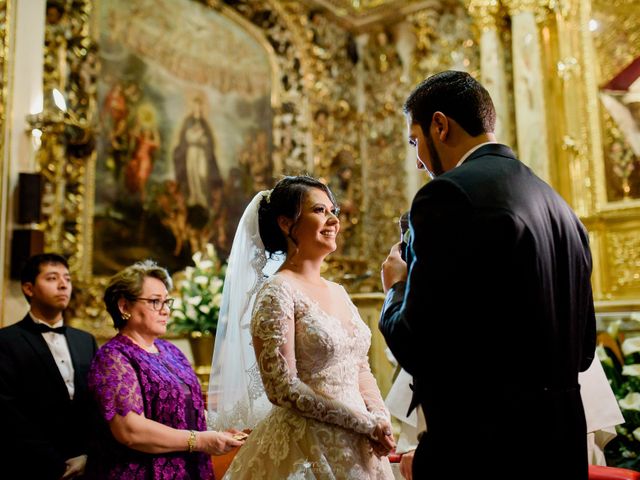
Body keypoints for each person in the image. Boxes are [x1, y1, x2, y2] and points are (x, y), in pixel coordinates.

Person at [379, 71, 597, 479]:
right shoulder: (561, 208)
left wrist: (396, 286)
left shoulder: (449, 195)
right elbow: (584, 350)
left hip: (484, 453)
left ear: (439, 125)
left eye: (415, 141)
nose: (418, 160)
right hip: (561, 449)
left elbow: (416, 343)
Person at [208, 175, 395, 479]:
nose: (333, 219)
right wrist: (363, 422)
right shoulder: (277, 291)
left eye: (333, 210)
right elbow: (283, 389)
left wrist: (380, 417)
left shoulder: (339, 291)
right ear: (286, 223)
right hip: (307, 446)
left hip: (362, 444)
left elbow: (359, 366)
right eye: (320, 211)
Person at [85, 260, 243, 479]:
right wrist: (199, 440)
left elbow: (189, 407)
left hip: (191, 469)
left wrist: (218, 432)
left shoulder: (170, 350)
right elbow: (130, 431)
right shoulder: (113, 357)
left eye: (167, 301)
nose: (166, 310)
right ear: (124, 307)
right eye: (155, 302)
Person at [0, 253, 98, 479]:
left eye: (68, 279)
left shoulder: (86, 341)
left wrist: (88, 455)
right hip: (27, 465)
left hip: (86, 465)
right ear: (29, 288)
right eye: (52, 278)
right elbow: (8, 412)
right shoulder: (6, 341)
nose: (64, 285)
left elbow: (96, 403)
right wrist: (54, 464)